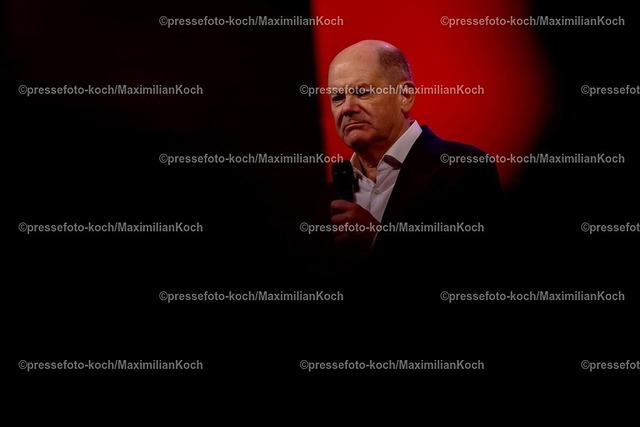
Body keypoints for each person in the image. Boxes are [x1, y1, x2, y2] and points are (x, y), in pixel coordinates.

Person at [326, 40, 501, 260]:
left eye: (362, 92)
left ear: (405, 96)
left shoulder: (464, 169)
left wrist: (378, 240)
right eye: (337, 98)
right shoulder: (329, 198)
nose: (347, 108)